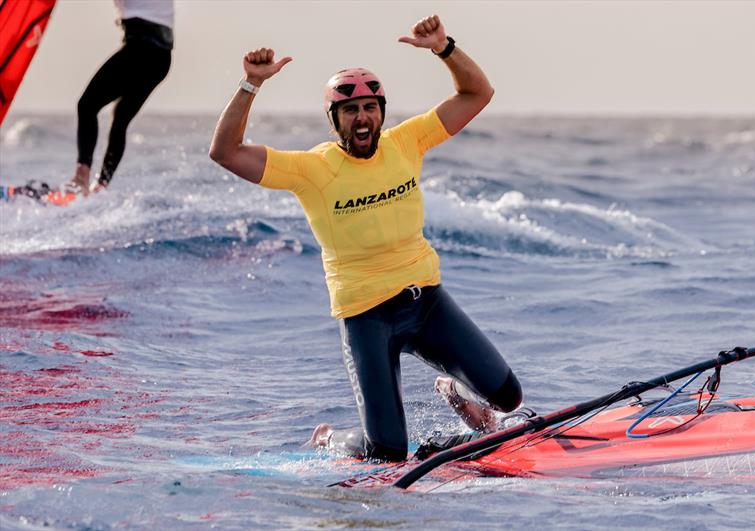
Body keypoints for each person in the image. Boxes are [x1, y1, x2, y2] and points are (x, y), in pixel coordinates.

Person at [209, 14, 523, 462]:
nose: (362, 118)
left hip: (426, 303)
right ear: (334, 120)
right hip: (366, 317)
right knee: (388, 452)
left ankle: (454, 387)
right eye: (350, 110)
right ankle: (329, 438)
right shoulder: (311, 170)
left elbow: (477, 94)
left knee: (508, 398)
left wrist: (443, 48)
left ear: (381, 112)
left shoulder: (406, 142)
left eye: (370, 108)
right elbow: (225, 152)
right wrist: (251, 84)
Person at [65, 0, 173, 196]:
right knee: (121, 116)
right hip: (161, 58)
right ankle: (101, 185)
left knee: (87, 105)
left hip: (141, 48)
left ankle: (82, 178)